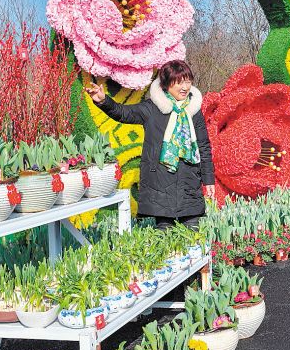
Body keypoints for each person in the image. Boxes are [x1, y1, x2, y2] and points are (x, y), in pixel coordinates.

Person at [85, 60, 215, 230]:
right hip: (160, 183)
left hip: (189, 182)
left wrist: (208, 180)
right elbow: (124, 113)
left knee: (193, 236)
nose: (185, 87)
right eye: (179, 82)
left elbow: (203, 146)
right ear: (166, 84)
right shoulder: (152, 108)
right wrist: (103, 101)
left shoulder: (193, 110)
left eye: (188, 81)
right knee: (164, 237)